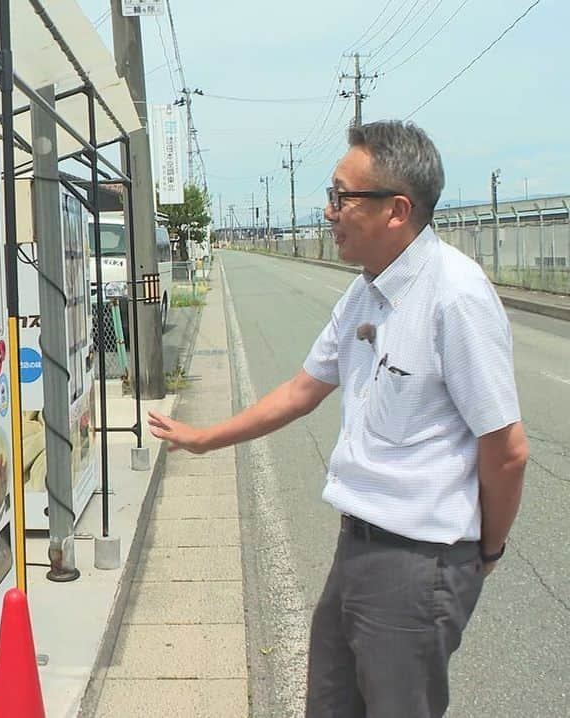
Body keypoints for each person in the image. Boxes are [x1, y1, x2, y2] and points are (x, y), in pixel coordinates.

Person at [148, 120, 529, 718]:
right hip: (357, 544)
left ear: (396, 210)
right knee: (328, 704)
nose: (329, 212)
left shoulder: (455, 297)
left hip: (420, 560)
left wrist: (487, 553)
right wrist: (204, 438)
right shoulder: (365, 291)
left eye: (341, 197)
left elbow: (506, 450)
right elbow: (304, 389)